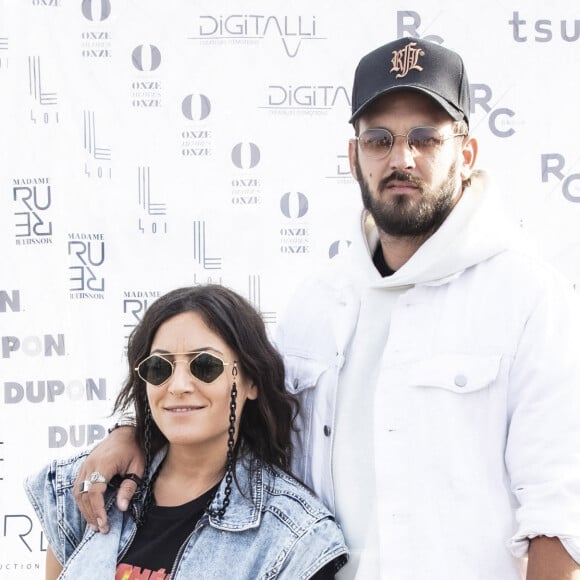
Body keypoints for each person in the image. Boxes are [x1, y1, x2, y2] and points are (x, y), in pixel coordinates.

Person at [70, 38, 580, 579]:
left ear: (466, 152)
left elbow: (559, 511)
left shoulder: (529, 298)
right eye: (379, 139)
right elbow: (243, 423)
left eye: (426, 138)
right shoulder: (316, 302)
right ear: (354, 155)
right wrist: (136, 435)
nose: (401, 158)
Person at [24, 285, 348, 579]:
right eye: (159, 367)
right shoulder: (88, 488)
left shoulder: (294, 536)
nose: (177, 386)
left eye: (205, 365)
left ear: (251, 381)